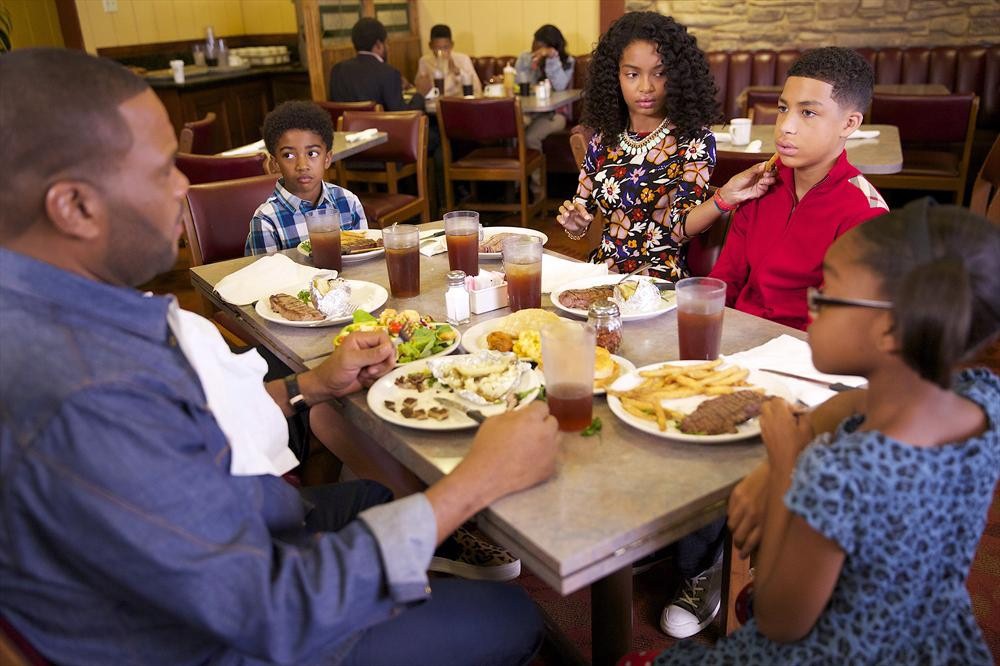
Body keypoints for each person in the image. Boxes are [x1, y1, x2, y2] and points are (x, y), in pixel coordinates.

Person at [0, 47, 560, 665]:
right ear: (74, 206)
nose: (184, 185)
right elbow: (271, 609)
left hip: (230, 543)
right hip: (236, 636)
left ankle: (408, 580)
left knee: (374, 498)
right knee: (511, 618)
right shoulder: (83, 388)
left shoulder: (59, 312)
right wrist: (475, 483)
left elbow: (194, 443)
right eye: (164, 169)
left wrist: (310, 385)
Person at [635, 200, 1000, 664]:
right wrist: (805, 429)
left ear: (890, 329)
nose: (811, 307)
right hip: (932, 635)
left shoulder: (837, 473)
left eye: (825, 295)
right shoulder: (980, 399)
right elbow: (854, 401)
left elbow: (778, 618)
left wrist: (785, 463)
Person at [708, 47, 889, 331]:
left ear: (849, 123)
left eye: (807, 112)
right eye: (783, 109)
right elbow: (724, 282)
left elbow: (834, 325)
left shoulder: (865, 213)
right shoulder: (761, 184)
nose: (785, 127)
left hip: (801, 355)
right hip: (734, 339)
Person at [556, 12, 719, 279]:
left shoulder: (695, 140)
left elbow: (681, 229)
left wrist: (723, 201)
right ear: (615, 77)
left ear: (677, 76)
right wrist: (574, 224)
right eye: (632, 74)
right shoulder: (602, 140)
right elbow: (581, 215)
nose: (646, 87)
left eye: (660, 73)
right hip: (602, 275)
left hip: (659, 279)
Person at [245, 100, 367, 255]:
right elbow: (266, 276)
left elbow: (365, 260)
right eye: (288, 155)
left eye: (312, 153)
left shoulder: (349, 203)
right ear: (274, 163)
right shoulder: (266, 221)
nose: (302, 165)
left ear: (327, 158)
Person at [515, 24, 575, 198]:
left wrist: (551, 59)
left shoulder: (566, 61)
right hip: (530, 112)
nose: (535, 50)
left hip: (555, 114)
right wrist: (530, 64)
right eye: (534, 45)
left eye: (540, 47)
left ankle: (537, 191)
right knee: (513, 131)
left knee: (530, 137)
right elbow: (519, 85)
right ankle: (514, 189)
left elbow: (560, 85)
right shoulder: (525, 58)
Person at [328, 17, 425, 112]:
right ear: (378, 44)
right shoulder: (388, 72)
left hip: (346, 128)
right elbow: (404, 116)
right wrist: (420, 93)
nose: (388, 48)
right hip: (380, 128)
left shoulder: (337, 70)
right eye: (387, 43)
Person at [415, 24, 482, 98]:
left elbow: (477, 89)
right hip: (434, 102)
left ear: (452, 45)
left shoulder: (462, 59)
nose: (442, 52)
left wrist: (457, 71)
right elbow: (419, 89)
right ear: (430, 46)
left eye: (446, 47)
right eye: (437, 48)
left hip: (457, 101)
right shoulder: (424, 61)